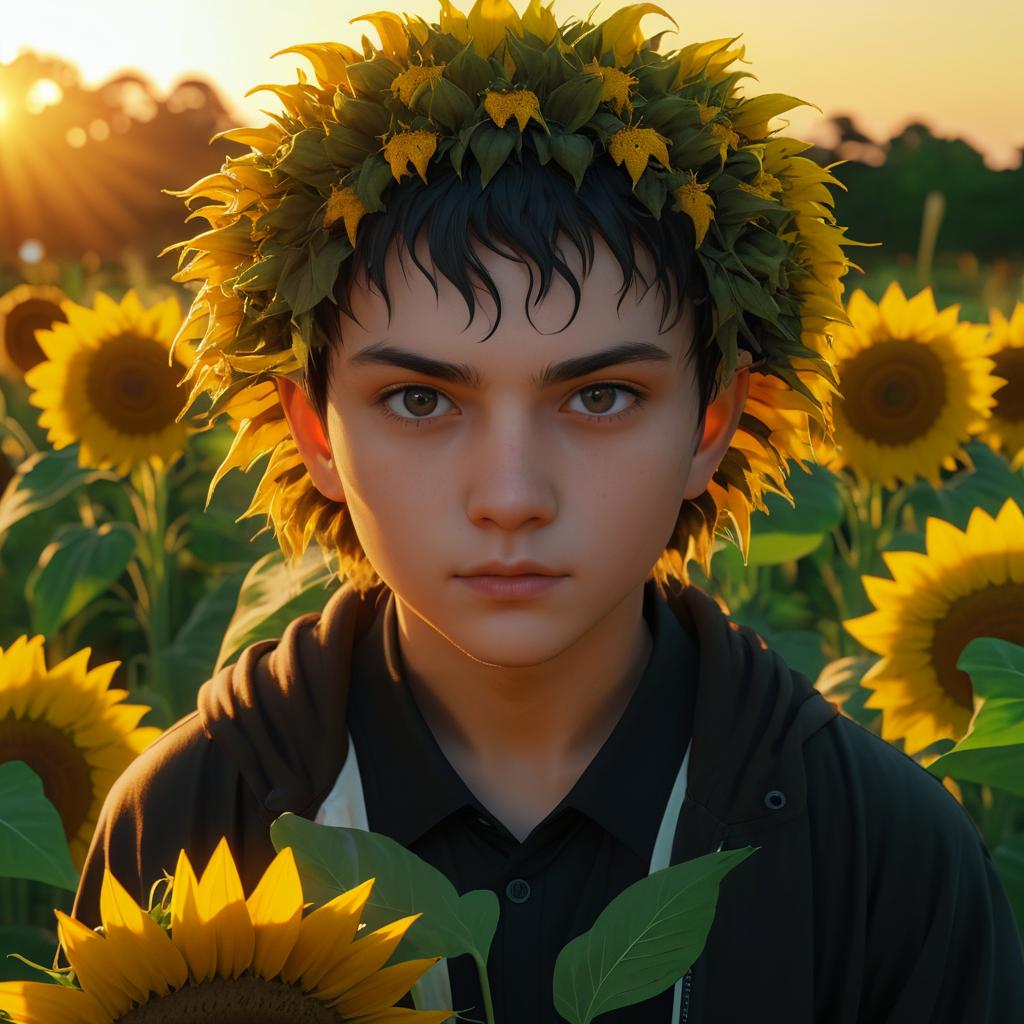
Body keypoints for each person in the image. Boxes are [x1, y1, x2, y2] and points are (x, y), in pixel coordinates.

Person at [69, 1, 1024, 1021]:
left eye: (599, 396)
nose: (513, 498)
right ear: (314, 433)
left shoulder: (879, 851)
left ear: (713, 421)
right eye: (420, 400)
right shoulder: (185, 821)